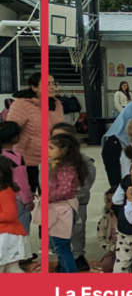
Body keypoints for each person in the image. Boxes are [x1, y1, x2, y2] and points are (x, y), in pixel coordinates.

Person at [9, 73, 66, 193]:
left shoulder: (56, 104)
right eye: (47, 84)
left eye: (53, 83)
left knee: (49, 198)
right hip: (28, 161)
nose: (52, 87)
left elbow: (61, 130)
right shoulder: (21, 104)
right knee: (24, 198)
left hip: (51, 160)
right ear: (34, 87)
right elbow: (11, 129)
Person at [48, 133, 89, 273]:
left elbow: (64, 191)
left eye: (51, 148)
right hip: (60, 208)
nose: (48, 151)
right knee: (61, 247)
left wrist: (47, 196)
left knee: (62, 248)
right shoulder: (64, 166)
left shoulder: (66, 169)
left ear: (64, 150)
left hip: (62, 210)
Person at [0, 157, 28, 272]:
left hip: (7, 236)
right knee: (11, 269)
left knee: (10, 269)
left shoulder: (5, 193)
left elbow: (10, 215)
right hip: (6, 235)